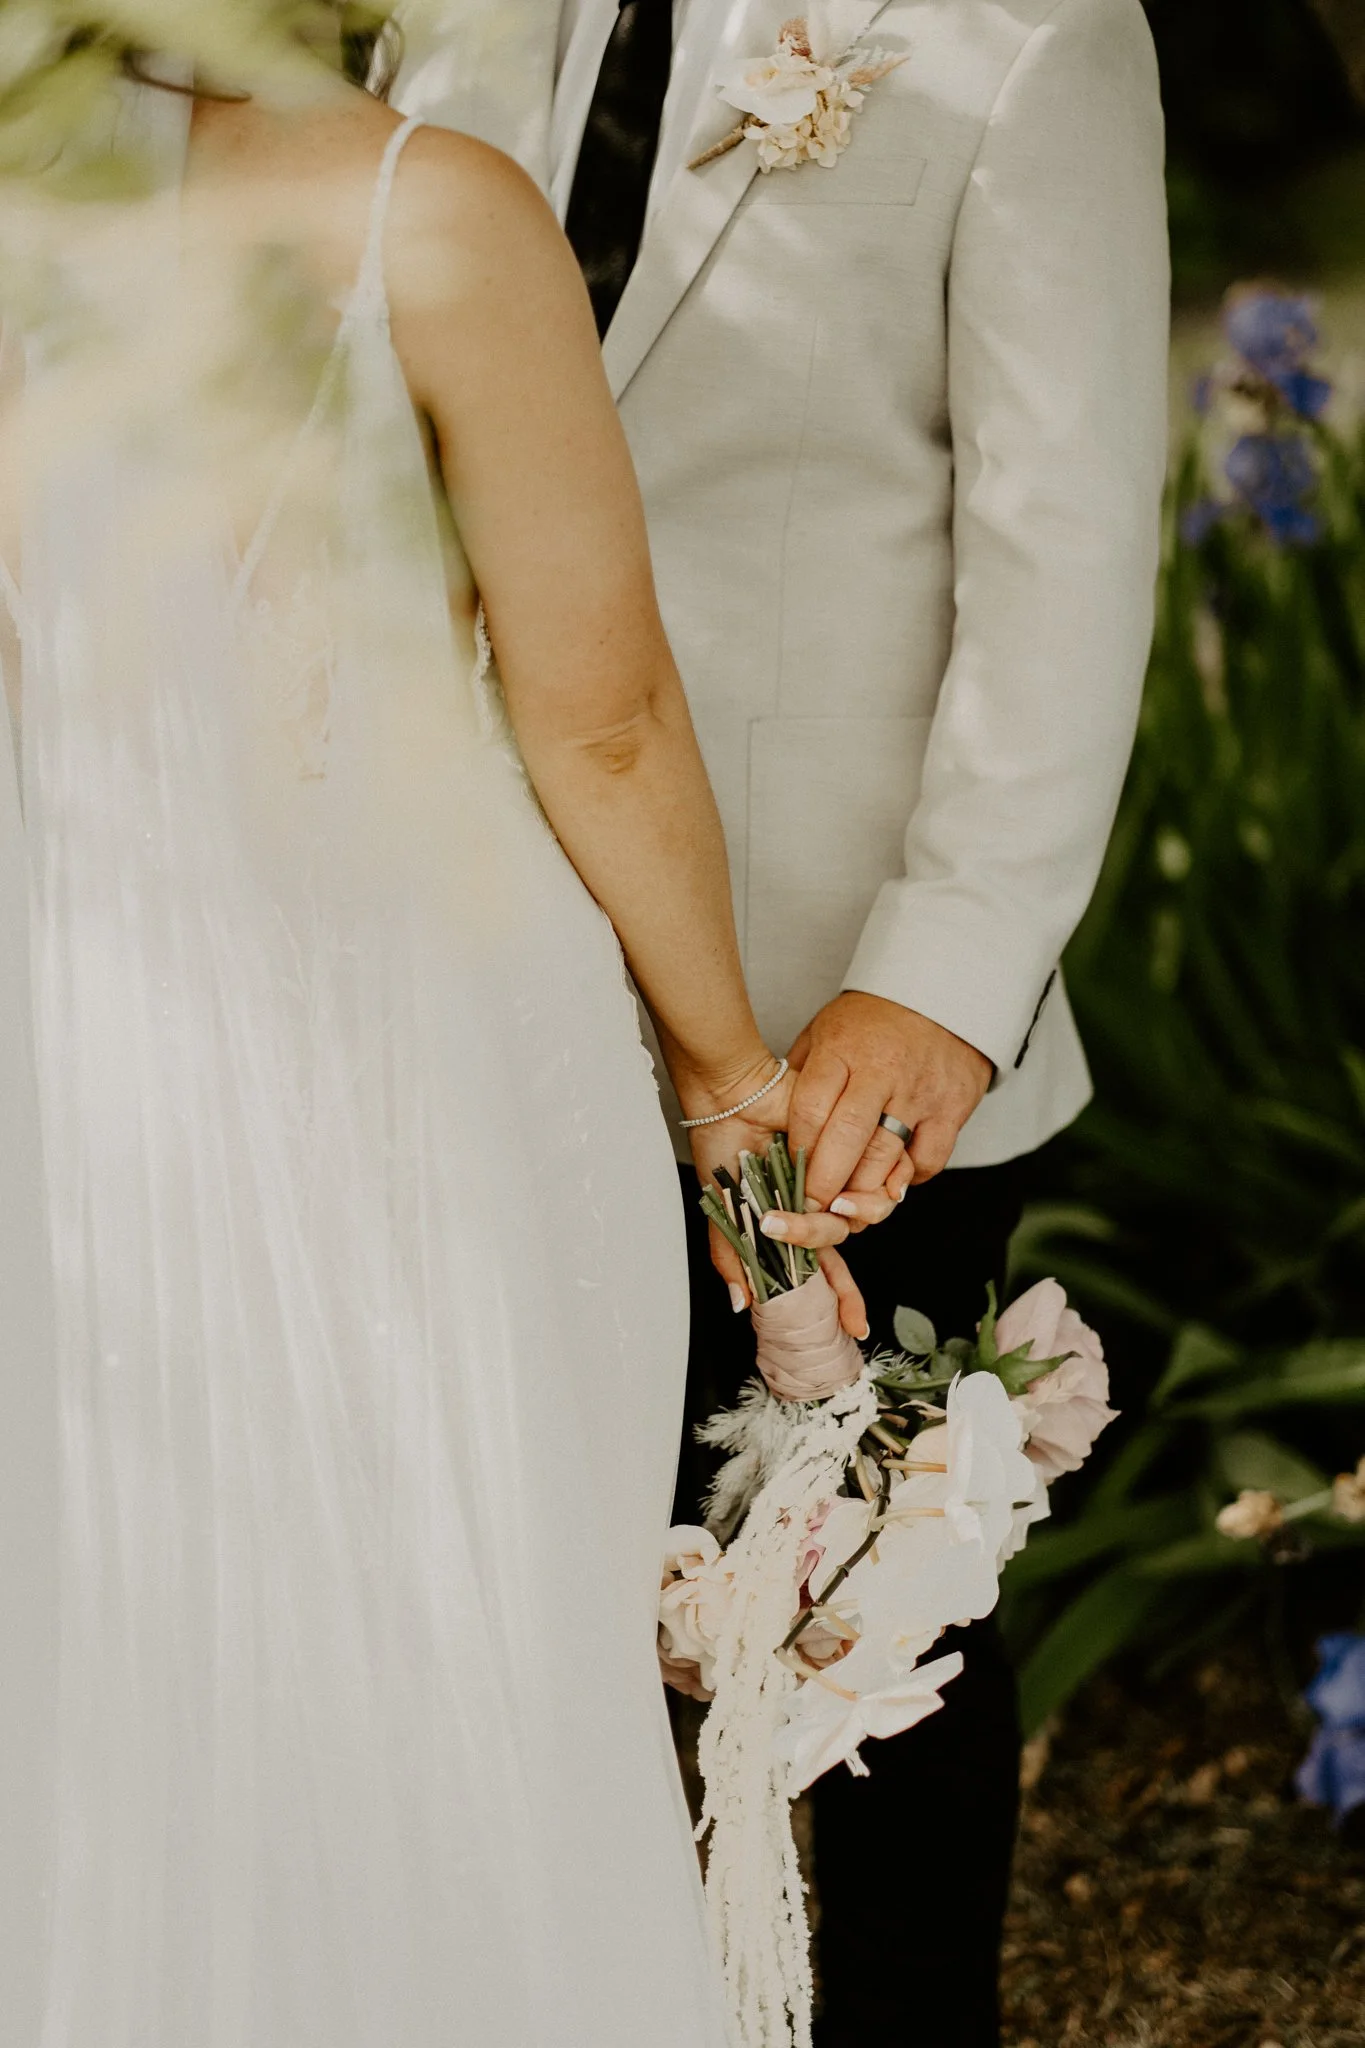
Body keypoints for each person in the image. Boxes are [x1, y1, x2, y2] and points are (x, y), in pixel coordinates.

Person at [0, 19, 862, 2044]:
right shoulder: (430, 211)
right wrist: (731, 1074)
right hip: (428, 1065)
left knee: (126, 1653)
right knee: (477, 1636)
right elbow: (604, 718)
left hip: (81, 1062)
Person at [391, 0, 1170, 2040]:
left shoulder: (1032, 38)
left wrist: (947, 970)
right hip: (460, 970)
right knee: (530, 1577)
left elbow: (1068, 537)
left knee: (865, 1597)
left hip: (829, 1013)